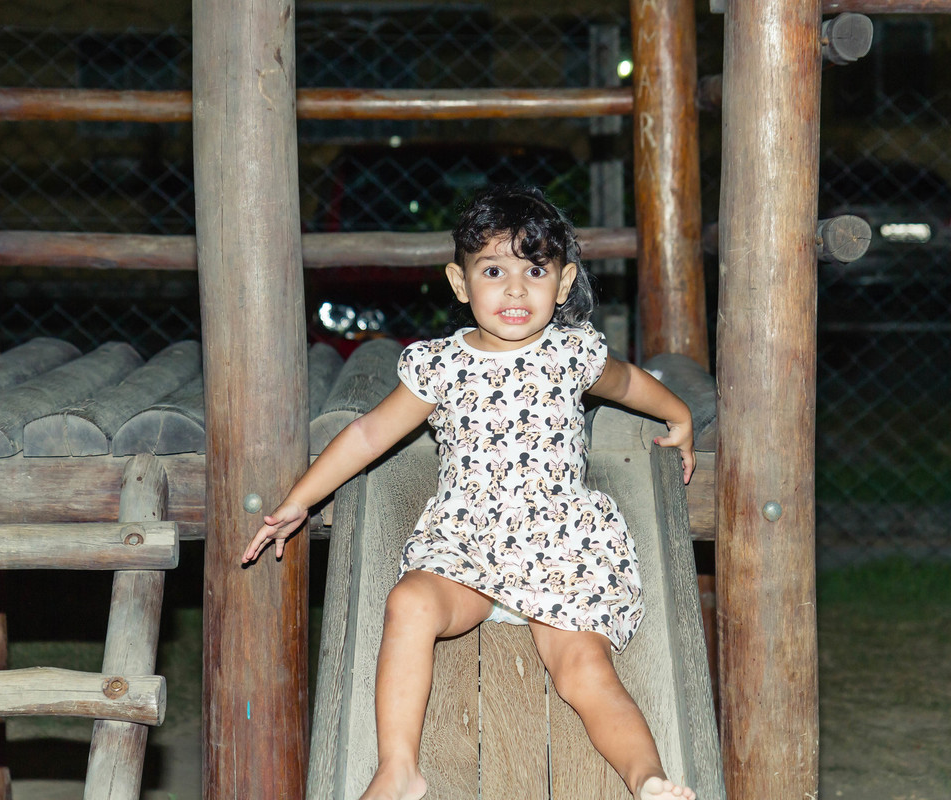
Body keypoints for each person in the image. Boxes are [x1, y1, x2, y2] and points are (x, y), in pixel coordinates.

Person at [243, 185, 698, 800]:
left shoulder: (572, 352)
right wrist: (300, 498)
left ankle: (649, 780)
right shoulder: (441, 366)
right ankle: (398, 768)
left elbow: (630, 384)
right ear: (460, 283)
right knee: (408, 603)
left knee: (583, 671)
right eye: (494, 270)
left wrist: (680, 417)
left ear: (562, 284)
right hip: (469, 551)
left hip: (561, 550)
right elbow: (370, 432)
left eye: (535, 270)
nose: (515, 289)